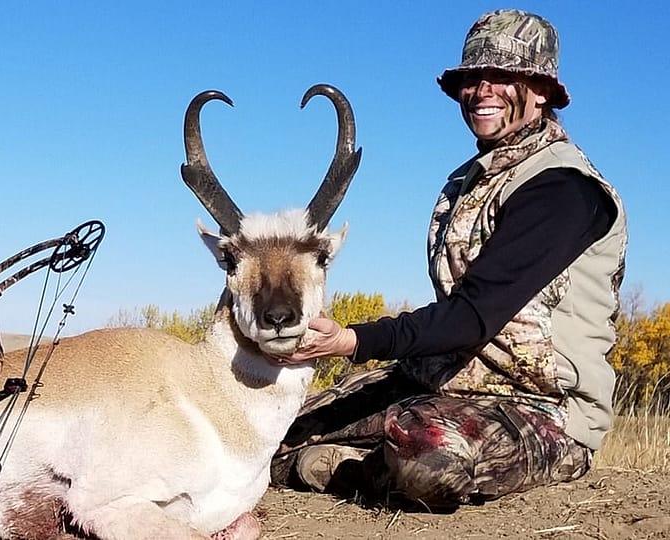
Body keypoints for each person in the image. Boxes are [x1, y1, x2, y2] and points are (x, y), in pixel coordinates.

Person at [269, 9, 628, 510]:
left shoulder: (564, 190)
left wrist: (352, 340)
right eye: (472, 79)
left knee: (428, 457)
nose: (482, 91)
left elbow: (471, 316)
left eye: (503, 76)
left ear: (542, 91)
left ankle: (353, 466)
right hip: (438, 382)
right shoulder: (470, 181)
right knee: (278, 431)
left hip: (543, 410)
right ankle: (351, 461)